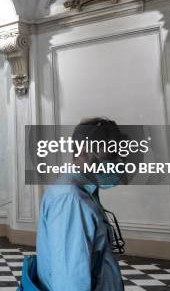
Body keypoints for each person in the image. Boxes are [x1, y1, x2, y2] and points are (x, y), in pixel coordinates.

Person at [35, 118, 126, 291]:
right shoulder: (71, 200)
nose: (117, 162)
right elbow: (70, 281)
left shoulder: (80, 192)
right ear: (85, 151)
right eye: (111, 153)